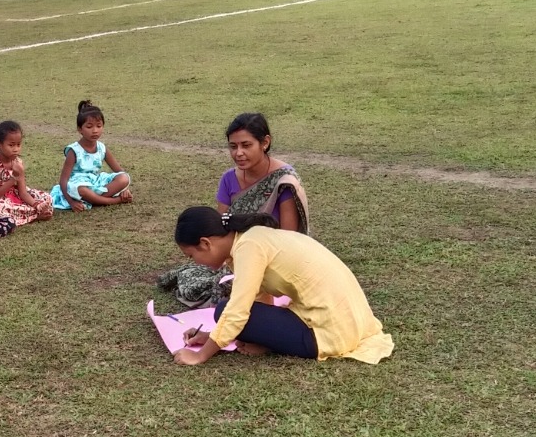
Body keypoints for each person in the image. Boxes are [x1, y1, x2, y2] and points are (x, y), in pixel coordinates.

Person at [171, 208, 393, 365]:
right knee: (228, 313)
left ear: (205, 243)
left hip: (328, 331)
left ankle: (279, 343)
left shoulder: (248, 247)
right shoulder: (251, 238)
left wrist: (201, 355)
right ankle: (272, 343)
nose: (194, 262)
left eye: (191, 256)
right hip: (350, 322)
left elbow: (238, 310)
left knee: (223, 310)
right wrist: (211, 335)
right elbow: (259, 300)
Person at [217, 113, 309, 233]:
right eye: (233, 146)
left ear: (265, 142)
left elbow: (288, 236)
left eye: (246, 145)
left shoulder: (284, 181)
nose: (238, 153)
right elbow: (221, 228)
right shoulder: (228, 179)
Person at [52, 100, 132, 211]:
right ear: (80, 129)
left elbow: (119, 171)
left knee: (124, 178)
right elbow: (63, 180)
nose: (95, 131)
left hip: (95, 183)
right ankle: (114, 201)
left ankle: (94, 199)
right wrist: (71, 202)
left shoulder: (102, 148)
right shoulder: (74, 151)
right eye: (89, 127)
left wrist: (124, 188)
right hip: (78, 185)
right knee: (81, 190)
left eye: (99, 126)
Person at [0, 121, 52, 227]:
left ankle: (35, 212)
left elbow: (23, 192)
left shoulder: (18, 162)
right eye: (11, 145)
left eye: (18, 145)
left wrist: (36, 205)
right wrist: (14, 177)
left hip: (14, 195)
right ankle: (34, 216)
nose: (16, 149)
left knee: (47, 198)